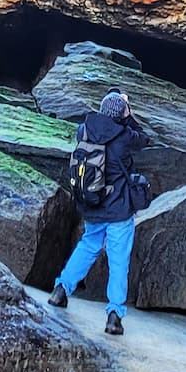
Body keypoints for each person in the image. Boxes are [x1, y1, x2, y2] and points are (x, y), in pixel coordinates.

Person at [47, 89, 150, 335]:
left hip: (92, 204)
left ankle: (60, 290)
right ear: (122, 114)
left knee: (88, 246)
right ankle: (114, 315)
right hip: (118, 210)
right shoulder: (125, 136)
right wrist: (129, 115)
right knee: (118, 261)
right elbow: (144, 139)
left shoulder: (83, 129)